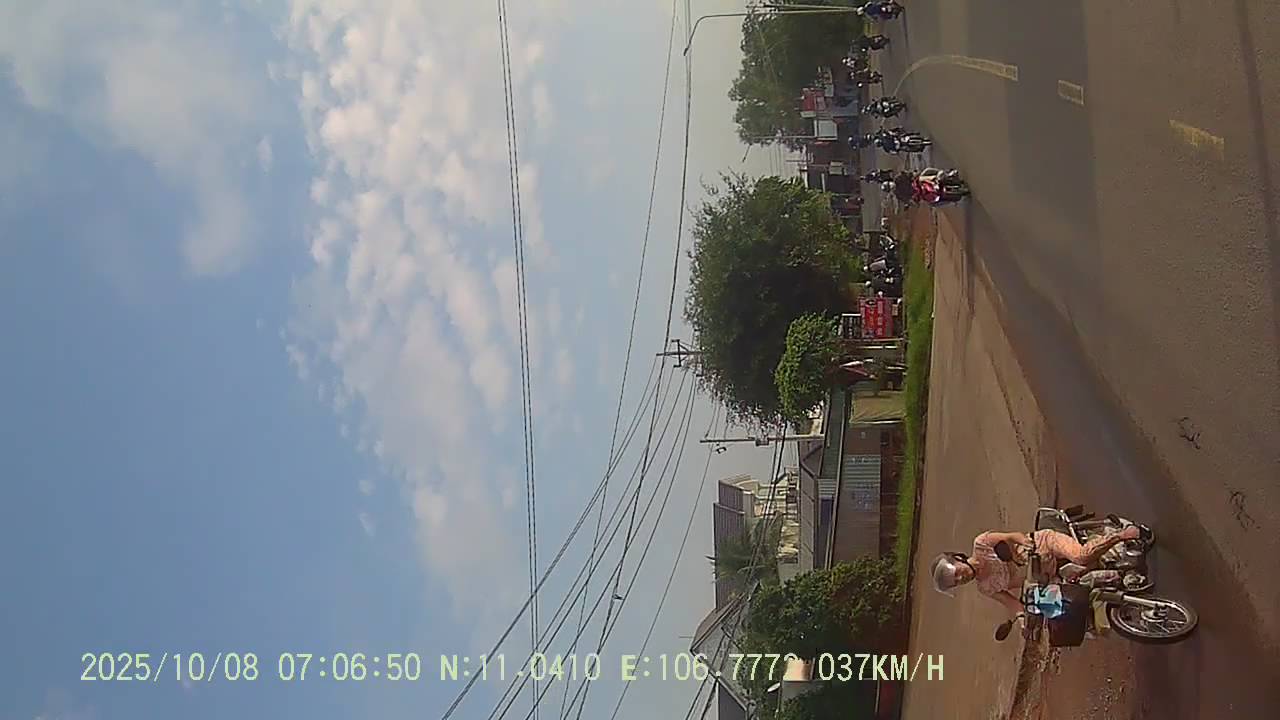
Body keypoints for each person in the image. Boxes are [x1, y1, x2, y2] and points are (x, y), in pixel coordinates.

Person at [930, 526, 1142, 618]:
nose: (962, 578)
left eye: (957, 573)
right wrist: (1022, 619)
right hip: (1044, 578)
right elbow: (1011, 603)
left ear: (958, 559)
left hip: (1042, 546)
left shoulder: (981, 544)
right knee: (1069, 606)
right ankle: (1117, 587)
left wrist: (1024, 542)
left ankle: (1120, 535)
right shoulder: (985, 588)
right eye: (957, 581)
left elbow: (1011, 536)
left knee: (1080, 556)